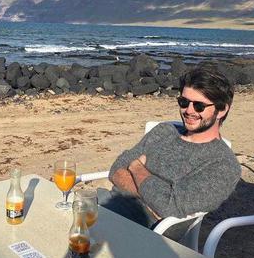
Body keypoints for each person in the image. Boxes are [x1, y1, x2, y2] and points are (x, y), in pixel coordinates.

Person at [99, 66, 241, 234]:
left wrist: (136, 167)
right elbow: (116, 169)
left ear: (222, 109)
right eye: (184, 102)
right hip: (106, 204)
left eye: (199, 106)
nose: (189, 110)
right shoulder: (165, 130)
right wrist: (152, 201)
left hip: (139, 231)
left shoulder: (223, 165)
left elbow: (168, 206)